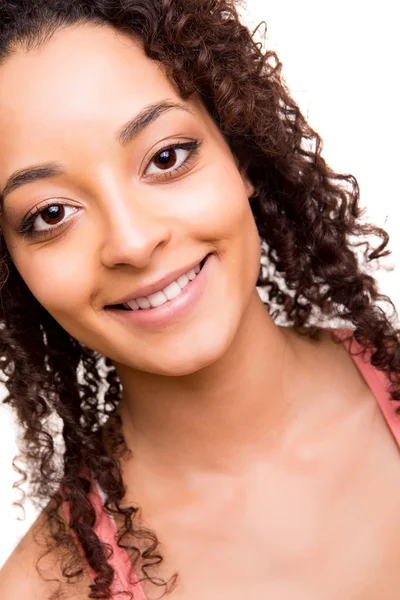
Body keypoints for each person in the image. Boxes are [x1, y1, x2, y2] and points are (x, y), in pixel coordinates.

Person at [0, 0, 399, 598]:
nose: (133, 242)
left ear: (238, 152)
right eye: (51, 214)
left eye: (166, 157)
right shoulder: (42, 589)